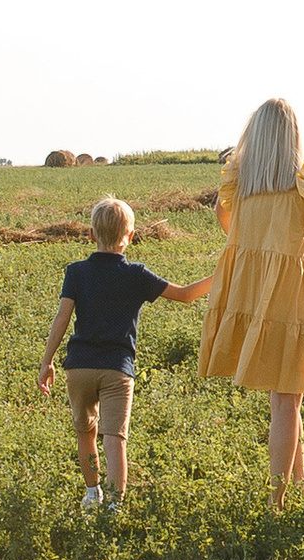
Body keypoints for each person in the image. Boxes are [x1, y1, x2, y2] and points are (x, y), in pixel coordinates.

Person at [197, 97, 304, 506]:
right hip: (291, 293)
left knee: (284, 392)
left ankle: (300, 478)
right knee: (287, 397)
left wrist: (255, 248)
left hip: (247, 289)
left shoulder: (238, 181)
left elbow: (226, 224)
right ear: (294, 137)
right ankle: (276, 502)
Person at [37, 195, 214, 516]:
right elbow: (186, 295)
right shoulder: (137, 274)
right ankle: (115, 505)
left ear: (91, 235)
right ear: (131, 237)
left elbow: (61, 319)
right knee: (115, 438)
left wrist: (47, 361)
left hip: (78, 368)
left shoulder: (76, 272)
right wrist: (224, 276)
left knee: (85, 433)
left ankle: (92, 494)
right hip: (117, 370)